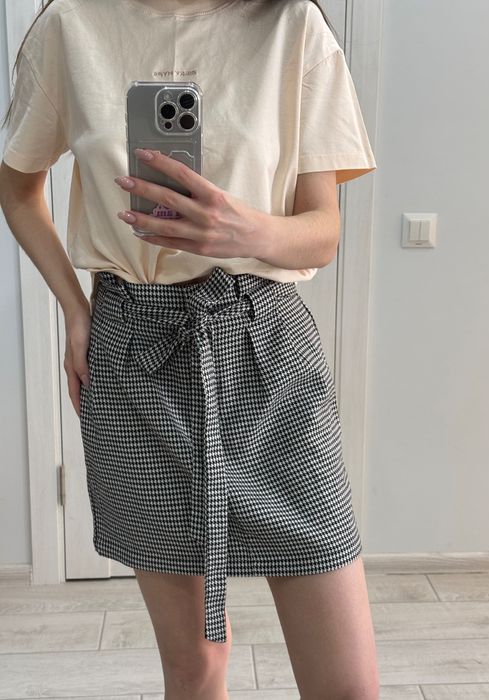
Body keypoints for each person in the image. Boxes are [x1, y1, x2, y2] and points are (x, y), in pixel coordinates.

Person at [0, 0, 380, 697]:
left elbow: (322, 232)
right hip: (132, 354)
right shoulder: (71, 26)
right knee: (196, 666)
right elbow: (18, 187)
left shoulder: (291, 24)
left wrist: (244, 231)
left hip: (267, 351)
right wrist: (76, 312)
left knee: (346, 685)